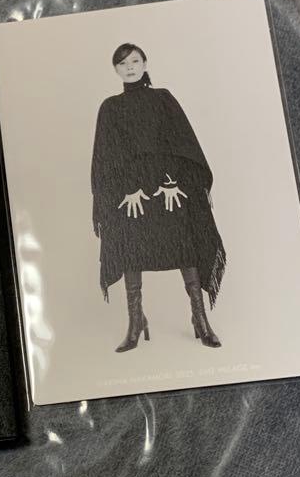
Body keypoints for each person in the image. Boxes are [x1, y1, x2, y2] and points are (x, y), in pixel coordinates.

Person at [90, 43, 226, 352]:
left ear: (145, 63)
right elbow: (107, 158)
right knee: (129, 242)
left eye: (135, 60)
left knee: (184, 242)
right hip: (131, 190)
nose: (130, 67)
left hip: (168, 185)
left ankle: (200, 319)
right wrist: (129, 188)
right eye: (122, 63)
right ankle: (136, 322)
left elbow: (181, 144)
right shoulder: (110, 108)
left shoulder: (163, 99)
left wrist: (169, 181)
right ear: (115, 70)